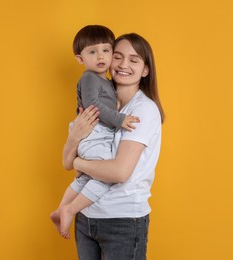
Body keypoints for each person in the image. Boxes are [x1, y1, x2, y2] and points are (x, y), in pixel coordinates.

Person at [62, 33, 165, 260]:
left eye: (134, 60)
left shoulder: (143, 110)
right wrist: (74, 140)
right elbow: (65, 162)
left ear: (145, 70)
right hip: (86, 217)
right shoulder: (102, 103)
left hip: (122, 221)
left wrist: (77, 160)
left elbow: (118, 172)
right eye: (117, 56)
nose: (123, 65)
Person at [50, 25, 139, 239]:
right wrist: (120, 119)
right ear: (80, 59)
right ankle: (70, 209)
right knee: (106, 174)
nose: (101, 56)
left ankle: (60, 209)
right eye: (92, 52)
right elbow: (93, 105)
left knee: (87, 177)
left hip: (94, 132)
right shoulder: (89, 77)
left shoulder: (105, 81)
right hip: (95, 132)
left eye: (106, 50)